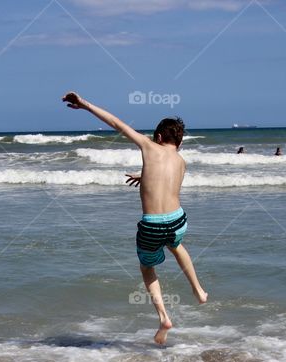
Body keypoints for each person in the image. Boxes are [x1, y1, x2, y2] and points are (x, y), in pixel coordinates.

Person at [61, 91, 208, 345]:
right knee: (176, 244)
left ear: (158, 137)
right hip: (178, 220)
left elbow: (116, 123)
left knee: (147, 267)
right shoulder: (182, 161)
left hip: (151, 225)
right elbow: (168, 184)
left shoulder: (148, 146)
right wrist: (145, 177)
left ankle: (163, 317)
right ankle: (198, 289)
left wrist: (85, 104)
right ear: (179, 143)